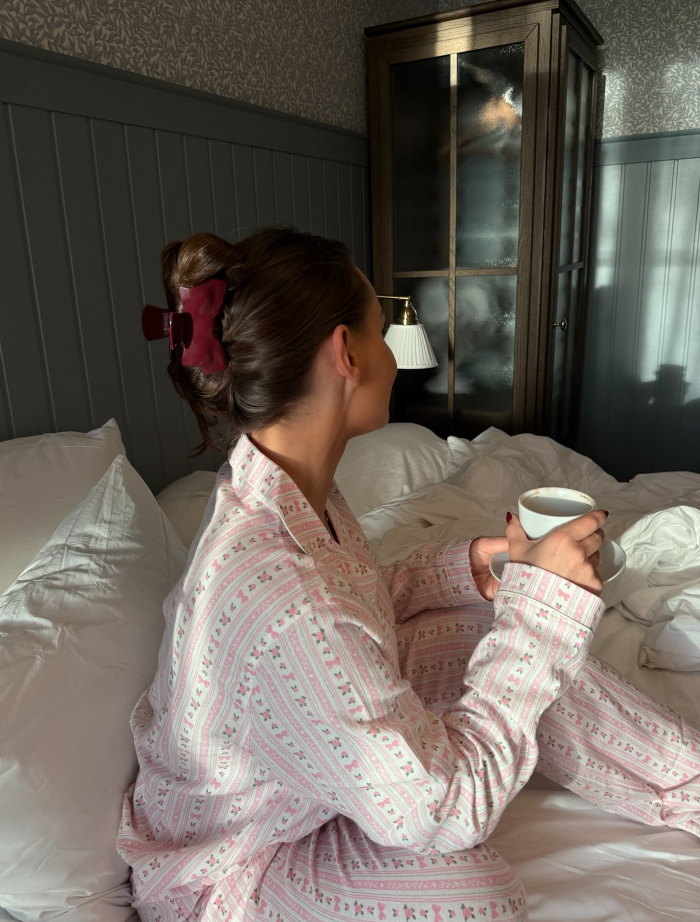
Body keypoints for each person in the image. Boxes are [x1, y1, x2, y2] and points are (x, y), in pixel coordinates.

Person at [118, 228, 700, 922]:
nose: (395, 353)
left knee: (483, 627)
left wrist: (475, 567)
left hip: (298, 778)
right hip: (233, 863)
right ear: (346, 352)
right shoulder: (283, 588)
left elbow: (356, 601)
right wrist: (542, 611)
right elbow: (445, 811)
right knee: (474, 898)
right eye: (383, 327)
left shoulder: (283, 489)